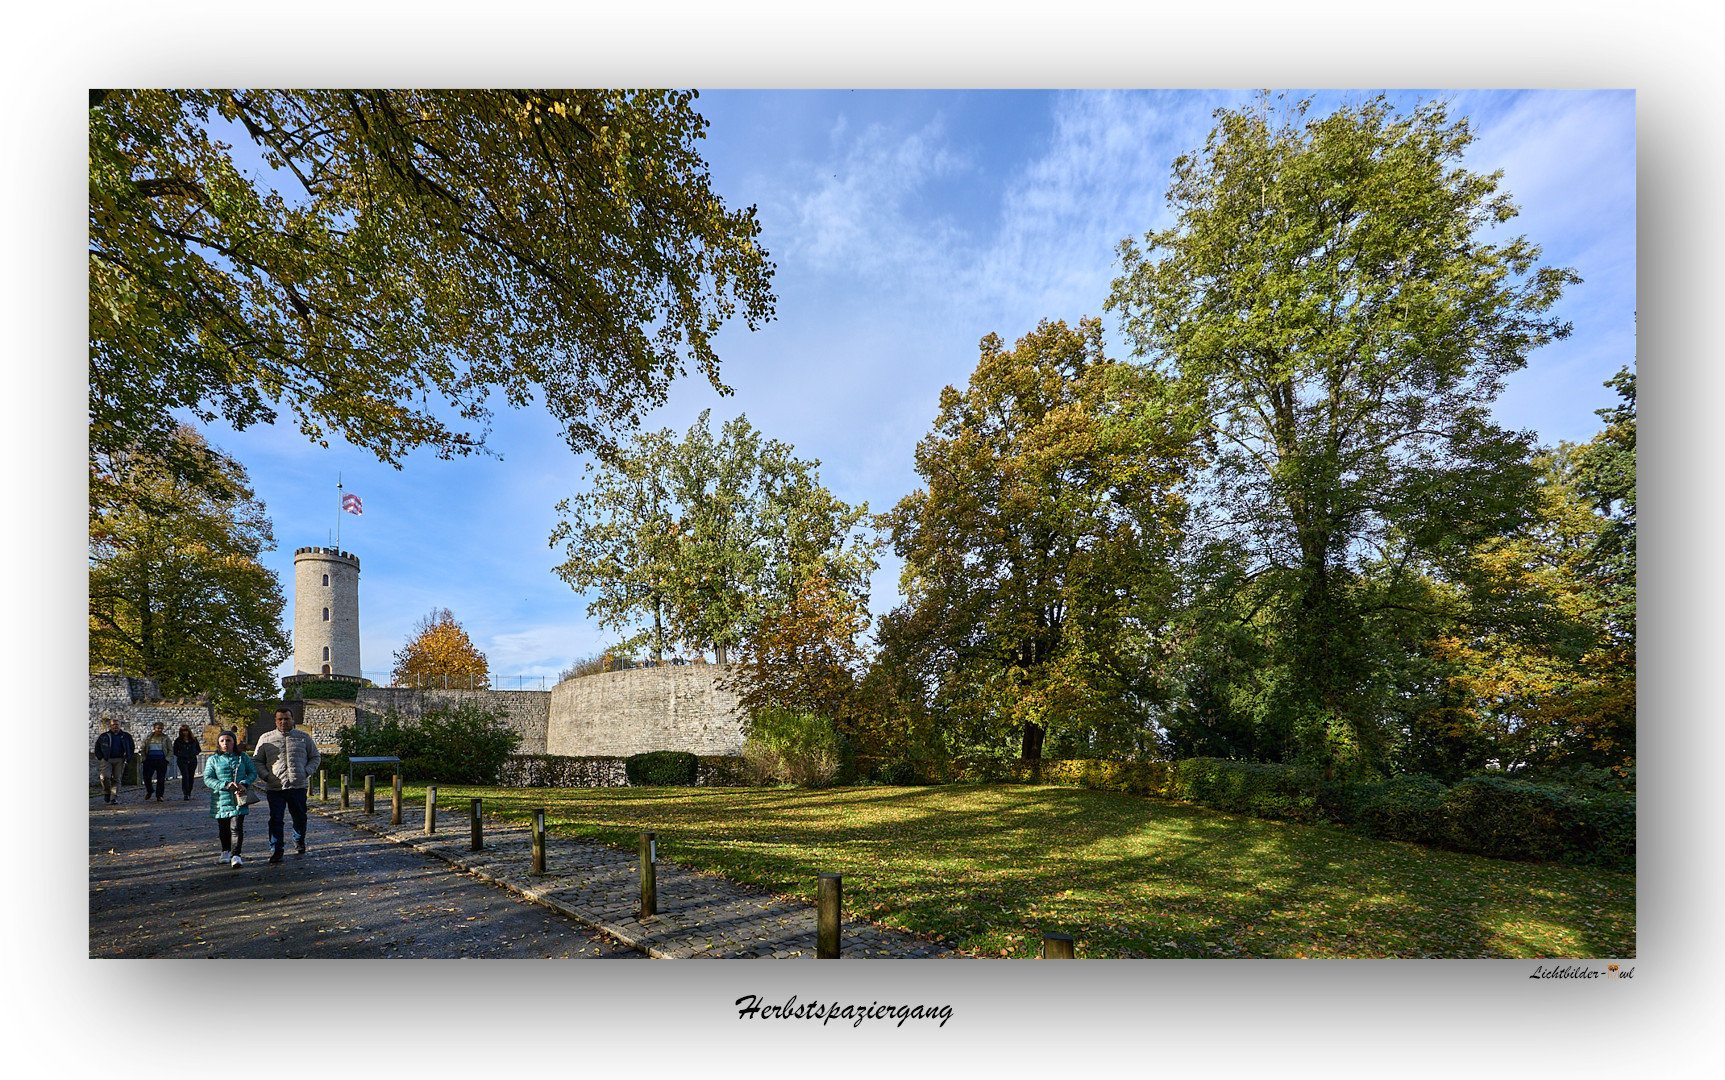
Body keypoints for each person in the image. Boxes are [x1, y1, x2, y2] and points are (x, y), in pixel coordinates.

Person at [251, 707, 321, 864]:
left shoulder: (303, 738)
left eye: (286, 719)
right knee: (276, 819)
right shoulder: (266, 738)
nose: (283, 722)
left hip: (298, 785)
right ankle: (276, 849)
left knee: (300, 817)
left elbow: (315, 757)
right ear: (275, 721)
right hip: (275, 787)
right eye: (280, 719)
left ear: (293, 719)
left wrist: (306, 771)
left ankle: (299, 839)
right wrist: (266, 776)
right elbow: (256, 760)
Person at [203, 730, 257, 867]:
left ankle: (236, 855)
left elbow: (252, 772)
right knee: (224, 828)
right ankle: (225, 850)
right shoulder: (213, 759)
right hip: (221, 798)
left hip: (239, 798)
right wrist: (225, 785)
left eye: (228, 741)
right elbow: (208, 778)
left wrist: (244, 783)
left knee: (237, 827)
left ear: (234, 742)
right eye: (222, 741)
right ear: (218, 743)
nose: (225, 744)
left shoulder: (242, 757)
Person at [93, 717, 135, 804]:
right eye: (113, 725)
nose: (115, 727)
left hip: (120, 759)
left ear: (120, 725)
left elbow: (131, 747)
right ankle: (107, 792)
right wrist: (101, 757)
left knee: (117, 779)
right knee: (104, 777)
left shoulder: (126, 736)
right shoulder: (104, 736)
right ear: (110, 726)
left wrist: (128, 757)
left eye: (116, 725)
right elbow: (97, 747)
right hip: (107, 759)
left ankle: (113, 797)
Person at [138, 721, 173, 802]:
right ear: (154, 729)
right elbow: (143, 749)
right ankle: (150, 790)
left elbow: (170, 750)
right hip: (149, 760)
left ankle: (159, 795)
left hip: (161, 760)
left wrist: (167, 759)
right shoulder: (148, 738)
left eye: (161, 728)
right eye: (158, 728)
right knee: (146, 778)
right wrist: (143, 759)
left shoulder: (166, 738)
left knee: (161, 779)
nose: (159, 730)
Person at [173, 725, 202, 800]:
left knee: (191, 776)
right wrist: (181, 754)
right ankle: (185, 793)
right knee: (185, 776)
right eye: (183, 731)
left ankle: (189, 791)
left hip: (192, 760)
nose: (185, 733)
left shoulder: (194, 740)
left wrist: (193, 753)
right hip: (182, 760)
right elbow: (175, 751)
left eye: (186, 731)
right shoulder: (178, 741)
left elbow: (198, 750)